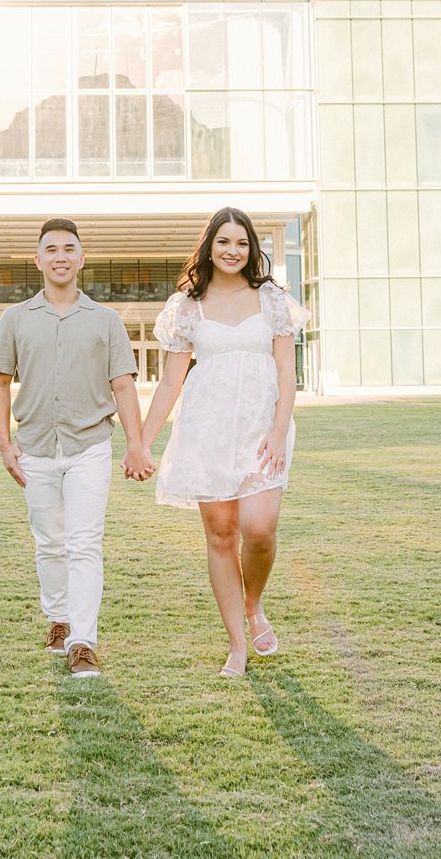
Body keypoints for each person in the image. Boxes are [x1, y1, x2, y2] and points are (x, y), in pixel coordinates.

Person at [128, 207, 308, 678]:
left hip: (261, 430)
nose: (233, 251)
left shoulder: (272, 300)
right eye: (224, 241)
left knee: (260, 528)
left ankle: (253, 605)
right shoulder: (187, 307)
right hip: (206, 431)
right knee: (222, 534)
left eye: (242, 243)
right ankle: (237, 644)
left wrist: (278, 430)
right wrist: (142, 443)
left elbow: (286, 372)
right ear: (210, 246)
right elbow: (171, 383)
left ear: (252, 249)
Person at [0, 218, 154, 679]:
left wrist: (136, 445)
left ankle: (82, 641)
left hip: (90, 447)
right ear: (38, 260)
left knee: (84, 544)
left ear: (81, 259)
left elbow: (123, 386)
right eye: (51, 249)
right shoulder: (15, 319)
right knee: (49, 542)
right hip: (36, 448)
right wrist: (5, 445)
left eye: (68, 249)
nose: (60, 257)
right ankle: (58, 620)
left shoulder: (106, 320)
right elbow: (0, 383)